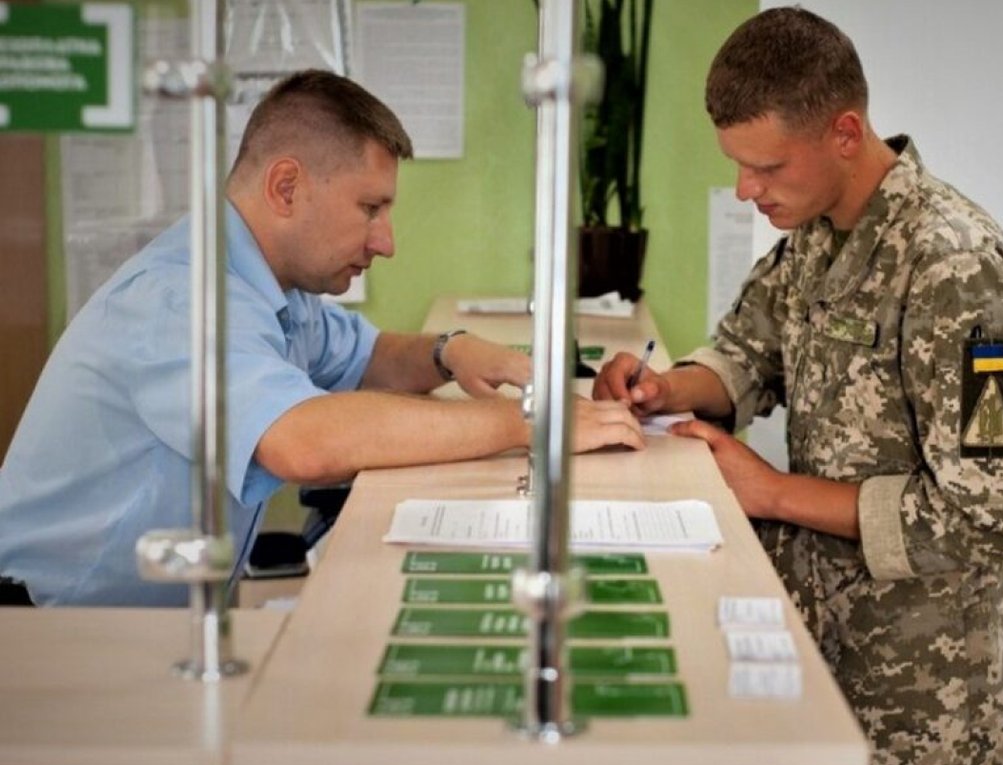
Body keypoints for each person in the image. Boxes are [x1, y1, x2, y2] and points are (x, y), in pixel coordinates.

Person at [0, 70, 643, 607]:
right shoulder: (181, 298)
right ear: (286, 187)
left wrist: (451, 349)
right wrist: (528, 422)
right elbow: (302, 443)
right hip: (48, 626)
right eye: (370, 209)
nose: (385, 242)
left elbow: (369, 360)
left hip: (150, 619)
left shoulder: (277, 288)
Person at [593, 9, 1003, 765]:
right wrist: (665, 389)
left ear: (844, 132)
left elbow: (985, 516)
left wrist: (769, 492)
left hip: (928, 704)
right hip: (822, 653)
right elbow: (746, 354)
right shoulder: (815, 234)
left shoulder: (959, 270)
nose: (745, 191)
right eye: (738, 165)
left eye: (767, 168)